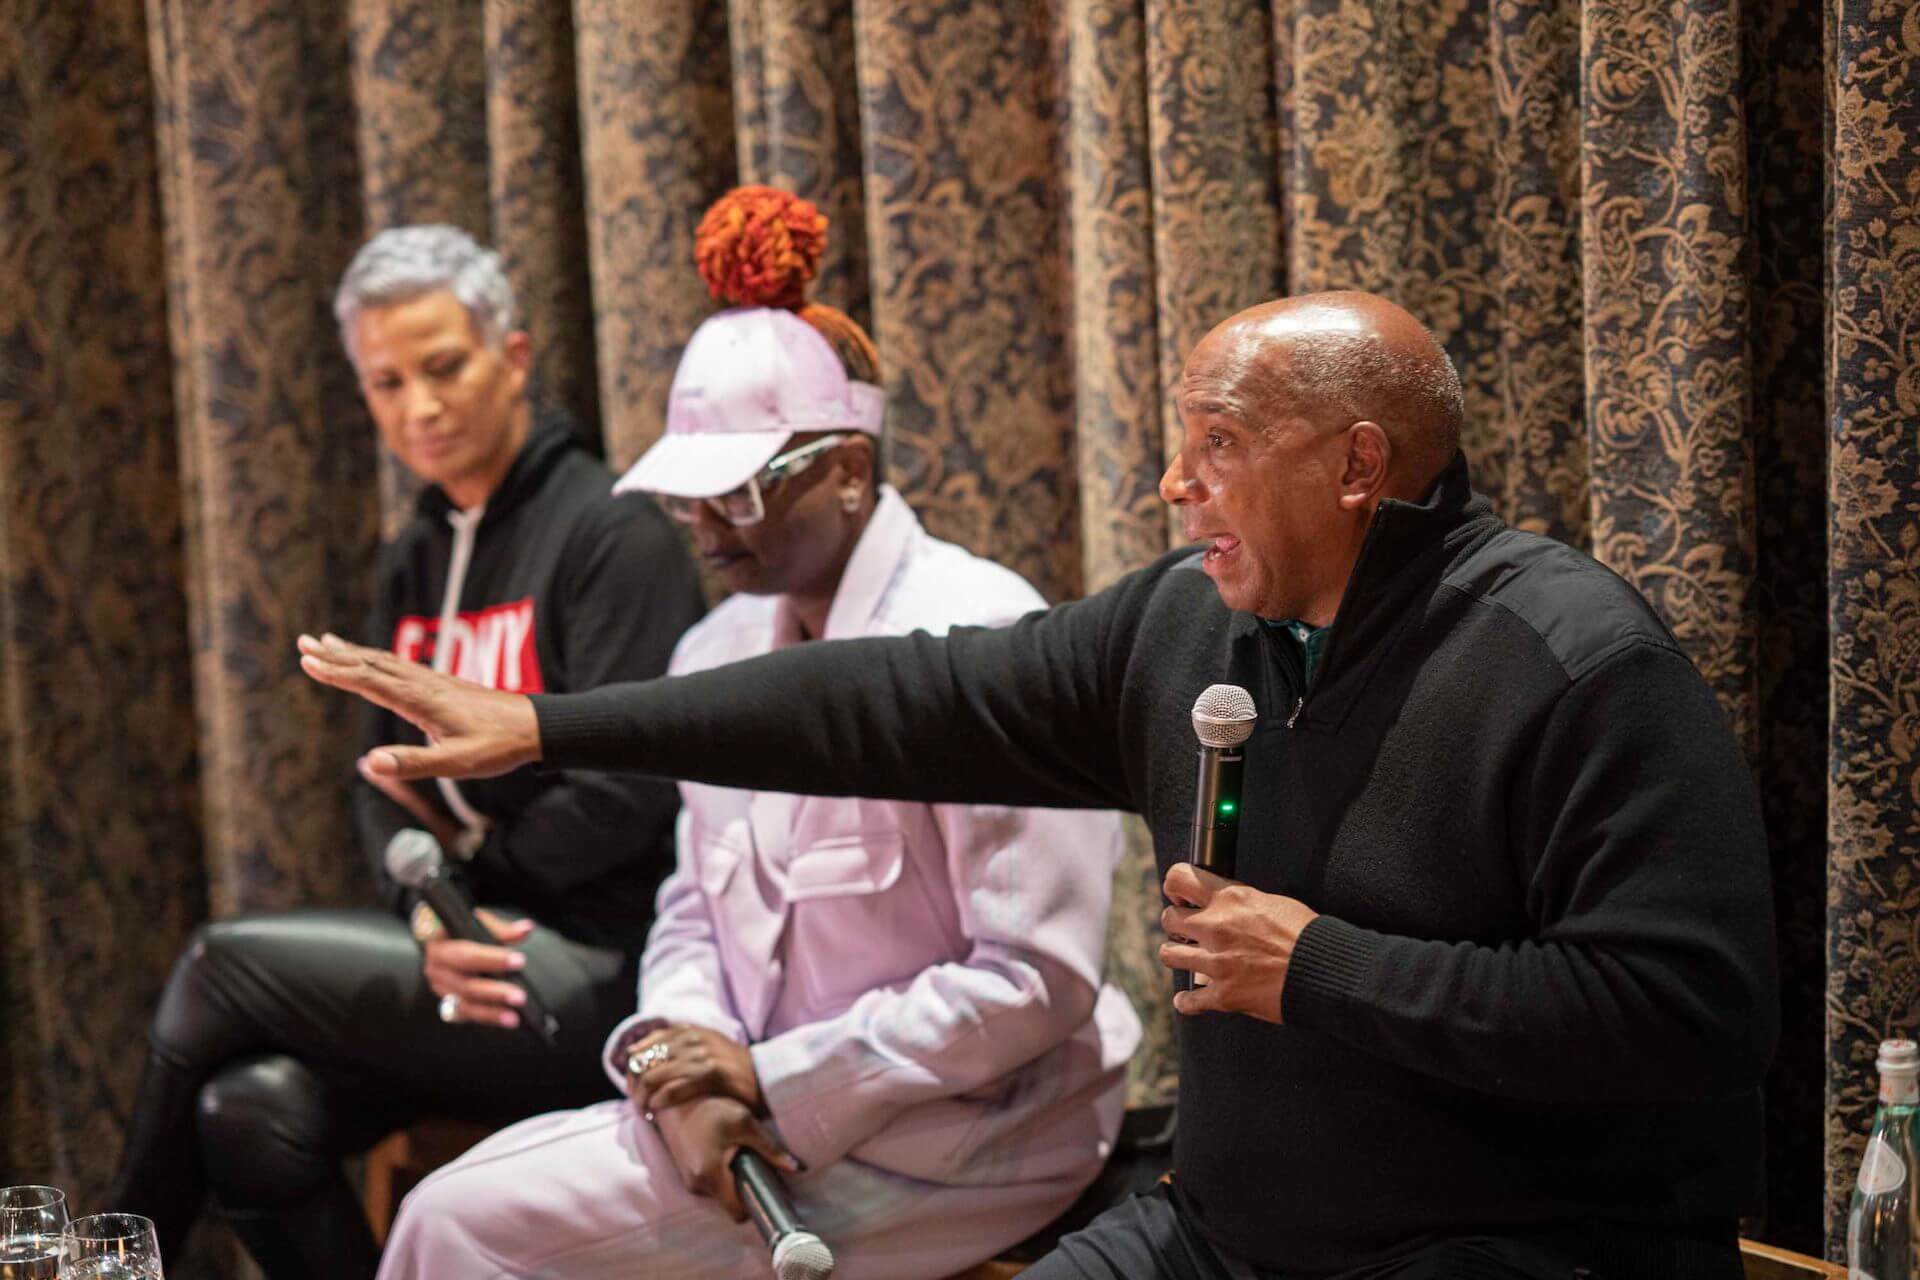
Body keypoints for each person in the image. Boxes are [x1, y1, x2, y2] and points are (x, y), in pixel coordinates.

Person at [301, 289, 1780, 1280]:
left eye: (1215, 448)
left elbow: (1681, 1021)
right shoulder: (1193, 625)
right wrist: (550, 726)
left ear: (1357, 464)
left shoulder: (1573, 664)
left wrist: (1321, 968)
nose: (1171, 486)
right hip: (1225, 1239)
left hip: (1517, 1249)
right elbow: (892, 699)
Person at [370, 185, 1142, 1280]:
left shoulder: (983, 633)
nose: (702, 526)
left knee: (456, 1225)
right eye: (689, 497)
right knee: (455, 1202)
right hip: (752, 1100)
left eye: (736, 494)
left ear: (848, 469)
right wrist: (676, 1063)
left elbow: (1035, 976)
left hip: (976, 1124)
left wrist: (773, 1074)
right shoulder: (714, 650)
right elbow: (692, 907)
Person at [110, 225, 706, 1279]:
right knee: (248, 1111)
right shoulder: (413, 556)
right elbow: (381, 782)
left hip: (607, 970)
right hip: (468, 956)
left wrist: (468, 889)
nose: (418, 407)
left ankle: (105, 1256)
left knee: (222, 960)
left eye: (443, 367)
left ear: (512, 357)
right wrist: (430, 908)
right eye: (385, 383)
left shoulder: (615, 534)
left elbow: (630, 787)